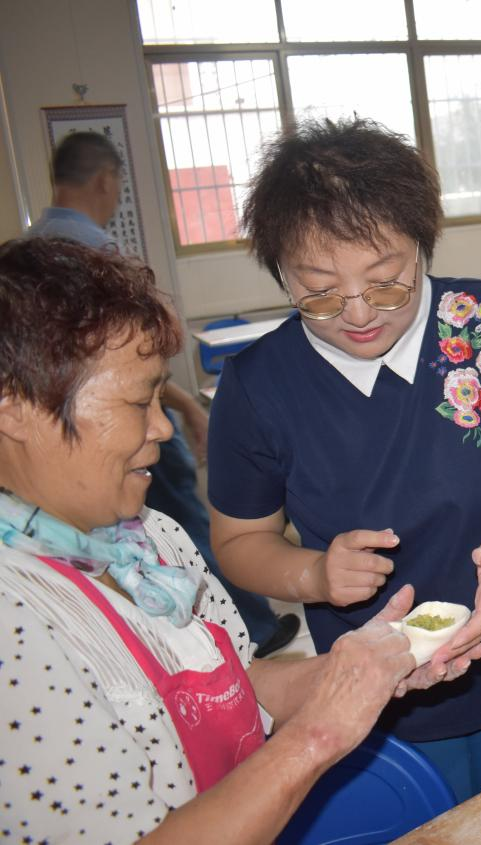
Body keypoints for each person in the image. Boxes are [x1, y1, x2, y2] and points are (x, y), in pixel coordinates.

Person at [0, 237, 481, 842]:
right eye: (135, 401)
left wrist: (356, 672)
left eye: (159, 397)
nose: (161, 427)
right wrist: (319, 735)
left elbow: (239, 681)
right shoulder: (14, 618)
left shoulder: (152, 537)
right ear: (14, 408)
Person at [207, 118, 481, 802]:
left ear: (421, 248)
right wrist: (314, 572)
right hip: (373, 686)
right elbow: (239, 539)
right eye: (318, 291)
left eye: (387, 283)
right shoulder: (259, 383)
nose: (357, 313)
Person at [28, 130, 300, 657]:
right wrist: (183, 406)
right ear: (106, 182)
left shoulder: (32, 247)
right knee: (187, 522)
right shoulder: (92, 254)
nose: (158, 425)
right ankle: (255, 631)